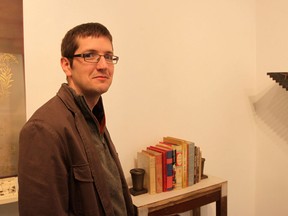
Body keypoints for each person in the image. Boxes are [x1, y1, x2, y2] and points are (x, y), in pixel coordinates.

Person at [18, 22, 135, 216]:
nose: (103, 65)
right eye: (89, 56)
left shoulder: (93, 118)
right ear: (66, 65)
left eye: (108, 56)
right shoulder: (43, 129)